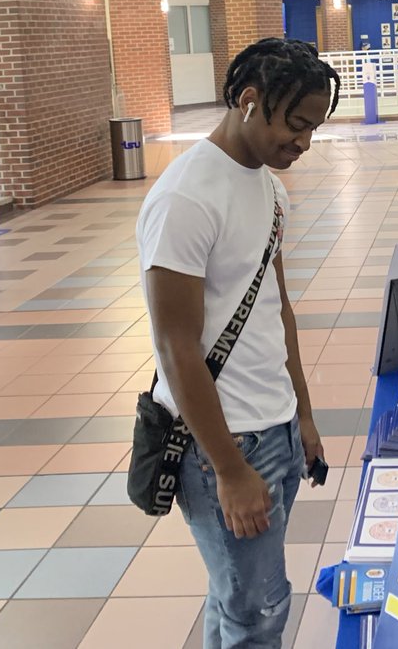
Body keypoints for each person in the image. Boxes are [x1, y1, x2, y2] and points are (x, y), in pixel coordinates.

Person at [137, 38, 341, 648]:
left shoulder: (269, 188)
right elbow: (175, 348)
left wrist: (301, 414)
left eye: (315, 128)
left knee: (235, 597)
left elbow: (276, 312)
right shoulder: (184, 198)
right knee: (258, 609)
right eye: (297, 125)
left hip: (272, 425)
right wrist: (229, 468)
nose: (304, 143)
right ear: (250, 102)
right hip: (221, 446)